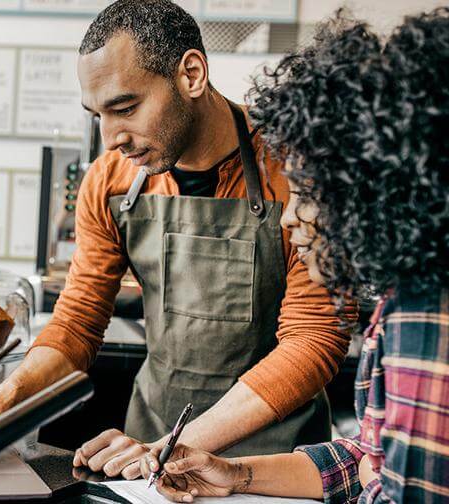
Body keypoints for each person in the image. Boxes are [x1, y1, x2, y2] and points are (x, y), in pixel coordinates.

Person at [0, 0, 351, 475]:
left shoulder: (300, 173)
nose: (111, 138)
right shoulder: (110, 182)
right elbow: (79, 319)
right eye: (97, 116)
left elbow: (314, 340)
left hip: (275, 464)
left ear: (191, 74)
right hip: (151, 449)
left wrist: (179, 445)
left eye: (125, 108)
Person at [137, 10, 449, 503]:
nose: (288, 217)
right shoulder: (401, 302)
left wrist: (374, 481)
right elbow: (370, 457)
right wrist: (234, 474)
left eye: (304, 192)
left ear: (370, 194)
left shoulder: (426, 326)